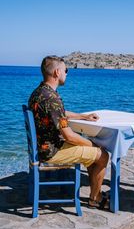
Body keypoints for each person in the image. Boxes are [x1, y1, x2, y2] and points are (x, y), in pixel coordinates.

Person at [28, 55, 109, 209]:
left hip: (43, 146)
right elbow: (69, 136)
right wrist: (92, 145)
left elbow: (60, 113)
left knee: (92, 152)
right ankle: (95, 198)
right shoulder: (52, 99)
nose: (67, 73)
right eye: (66, 70)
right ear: (57, 72)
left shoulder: (39, 92)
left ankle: (95, 193)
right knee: (103, 155)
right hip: (53, 151)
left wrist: (83, 116)